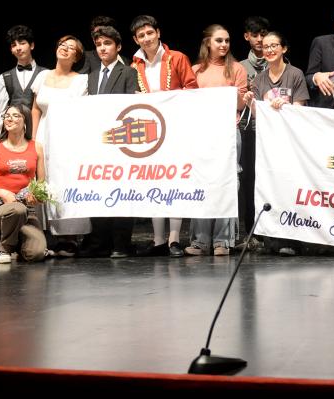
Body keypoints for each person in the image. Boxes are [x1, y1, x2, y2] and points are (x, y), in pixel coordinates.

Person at [130, 15, 198, 257]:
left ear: (158, 33)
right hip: (150, 132)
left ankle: (174, 239)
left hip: (177, 128)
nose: (146, 38)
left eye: (150, 33)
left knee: (174, 181)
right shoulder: (135, 65)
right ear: (135, 39)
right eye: (141, 36)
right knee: (153, 181)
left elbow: (192, 89)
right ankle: (158, 241)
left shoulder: (177, 58)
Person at [244, 31, 309, 255]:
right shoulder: (259, 79)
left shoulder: (295, 74)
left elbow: (301, 108)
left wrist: (287, 106)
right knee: (269, 188)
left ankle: (292, 240)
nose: (269, 50)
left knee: (291, 188)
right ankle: (271, 240)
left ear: (284, 49)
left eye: (274, 46)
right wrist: (250, 102)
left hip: (291, 143)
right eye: (266, 46)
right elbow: (256, 113)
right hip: (267, 145)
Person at [187, 24, 247, 256]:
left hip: (229, 133)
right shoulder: (195, 70)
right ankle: (201, 241)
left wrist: (241, 97)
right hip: (202, 134)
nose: (224, 45)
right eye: (219, 40)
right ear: (208, 43)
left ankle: (223, 240)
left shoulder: (237, 69)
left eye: (227, 41)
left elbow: (240, 105)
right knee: (202, 182)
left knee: (229, 182)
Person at [30, 35, 90, 255]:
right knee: (41, 182)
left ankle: (69, 237)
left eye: (71, 48)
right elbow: (35, 109)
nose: (65, 49)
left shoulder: (81, 80)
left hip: (67, 138)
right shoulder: (43, 75)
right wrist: (34, 138)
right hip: (43, 135)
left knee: (64, 184)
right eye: (62, 45)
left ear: (77, 56)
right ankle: (38, 236)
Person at [86, 25, 139, 258]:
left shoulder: (128, 71)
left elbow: (131, 108)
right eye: (98, 45)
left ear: (118, 47)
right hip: (97, 141)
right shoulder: (92, 75)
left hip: (119, 141)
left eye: (107, 44)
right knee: (99, 190)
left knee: (122, 191)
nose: (102, 48)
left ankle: (120, 243)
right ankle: (100, 242)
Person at [0, 104, 48, 263]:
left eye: (16, 115)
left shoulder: (36, 147)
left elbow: (41, 184)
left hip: (27, 212)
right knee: (16, 209)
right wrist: (3, 193)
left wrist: (37, 197)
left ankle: (18, 245)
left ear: (25, 121)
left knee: (36, 254)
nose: (9, 118)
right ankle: (4, 249)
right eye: (7, 115)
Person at [238, 16, 270, 235]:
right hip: (248, 130)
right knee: (249, 178)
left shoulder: (279, 63)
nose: (259, 39)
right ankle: (250, 230)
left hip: (272, 131)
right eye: (255, 35)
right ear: (247, 37)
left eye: (263, 34)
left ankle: (271, 229)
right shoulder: (239, 67)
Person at [0, 25, 45, 137]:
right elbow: (1, 111)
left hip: (39, 132)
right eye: (14, 45)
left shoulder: (45, 74)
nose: (18, 48)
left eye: (22, 43)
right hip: (14, 134)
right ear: (11, 50)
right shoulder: (5, 76)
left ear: (31, 45)